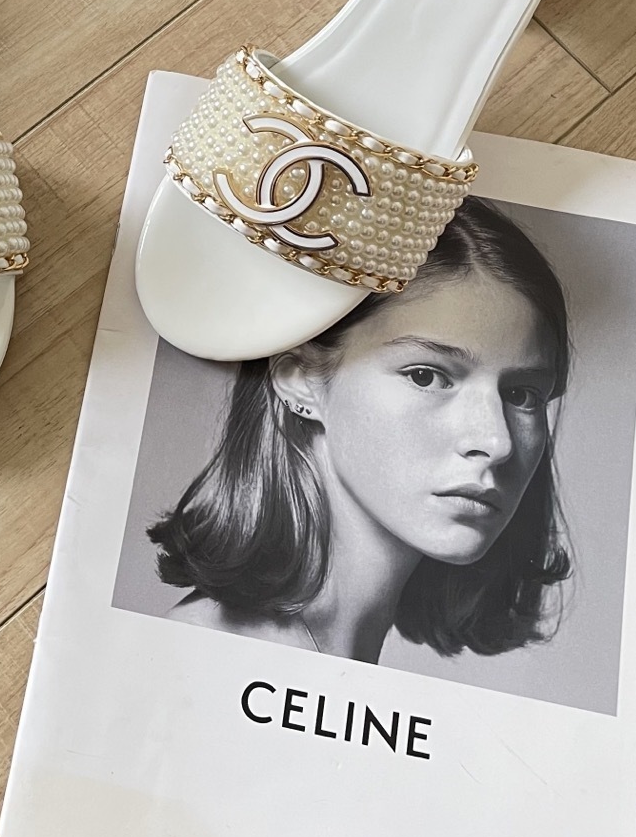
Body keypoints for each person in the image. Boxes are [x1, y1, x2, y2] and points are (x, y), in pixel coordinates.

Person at [149, 197, 572, 663]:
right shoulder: (208, 655)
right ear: (301, 379)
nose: (497, 442)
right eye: (426, 376)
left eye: (523, 395)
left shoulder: (324, 654)